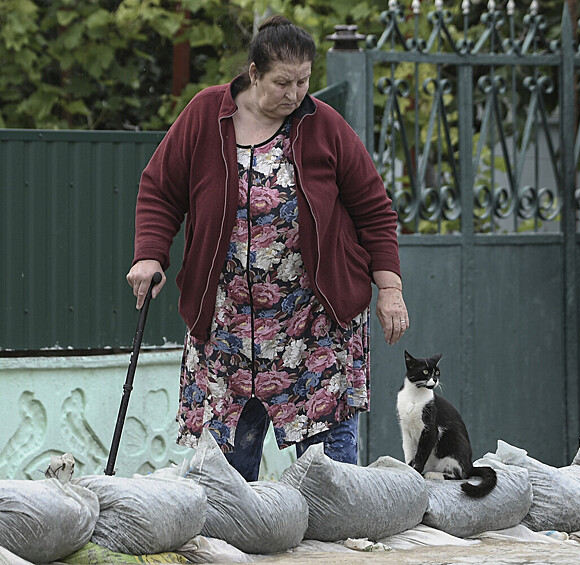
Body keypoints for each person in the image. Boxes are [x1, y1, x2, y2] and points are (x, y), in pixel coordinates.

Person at [126, 15, 409, 481]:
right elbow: (160, 187)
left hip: (312, 320)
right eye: (282, 82)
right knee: (228, 480)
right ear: (253, 73)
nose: (294, 93)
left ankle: (338, 545)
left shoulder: (324, 126)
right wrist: (149, 254)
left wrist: (390, 289)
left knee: (330, 475)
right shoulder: (205, 115)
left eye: (303, 81)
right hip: (228, 322)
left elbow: (374, 209)